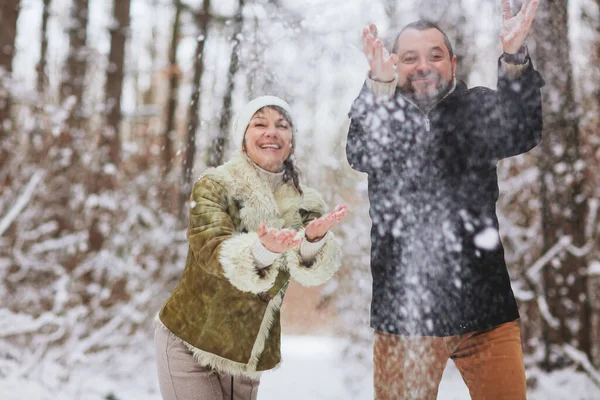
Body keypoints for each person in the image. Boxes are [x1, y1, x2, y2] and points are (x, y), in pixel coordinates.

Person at [346, 0, 543, 399]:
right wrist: (379, 90)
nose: (423, 66)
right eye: (410, 57)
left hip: (485, 314)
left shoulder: (476, 109)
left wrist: (515, 58)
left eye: (435, 56)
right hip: (406, 317)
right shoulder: (383, 114)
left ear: (452, 63)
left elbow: (522, 130)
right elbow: (361, 152)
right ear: (395, 65)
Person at [156, 95, 347, 400]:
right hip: (190, 340)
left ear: (291, 142)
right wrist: (263, 250)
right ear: (243, 138)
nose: (271, 131)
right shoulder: (214, 185)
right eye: (260, 123)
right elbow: (212, 249)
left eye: (281, 125)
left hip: (248, 354)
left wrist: (312, 241)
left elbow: (310, 270)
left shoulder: (305, 203)